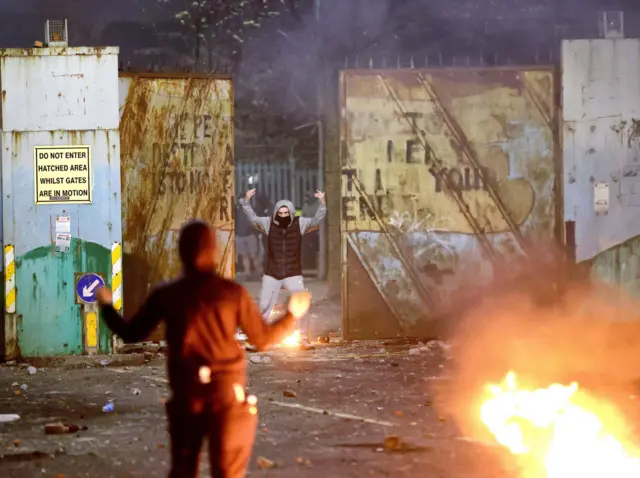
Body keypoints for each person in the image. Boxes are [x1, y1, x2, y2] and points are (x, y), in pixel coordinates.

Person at [94, 220, 312, 478]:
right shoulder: (232, 293)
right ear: (214, 251)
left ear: (181, 252)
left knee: (184, 471)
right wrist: (291, 315)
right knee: (227, 472)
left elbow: (131, 333)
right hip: (227, 395)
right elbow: (262, 339)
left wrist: (107, 306)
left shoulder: (167, 294)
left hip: (187, 395)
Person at [239, 188, 326, 349]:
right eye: (281, 212)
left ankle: (303, 339)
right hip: (272, 272)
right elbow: (252, 218)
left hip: (293, 272)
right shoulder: (268, 222)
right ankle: (258, 340)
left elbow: (316, 221)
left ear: (291, 212)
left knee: (301, 305)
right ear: (276, 212)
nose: (284, 215)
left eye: (286, 212)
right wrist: (246, 202)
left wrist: (322, 203)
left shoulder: (300, 223)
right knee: (264, 307)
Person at [235, 196, 262, 280]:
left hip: (250, 236)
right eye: (240, 199)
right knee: (244, 256)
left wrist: (258, 233)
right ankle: (248, 274)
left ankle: (261, 274)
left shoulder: (251, 210)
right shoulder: (236, 210)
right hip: (240, 236)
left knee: (254, 256)